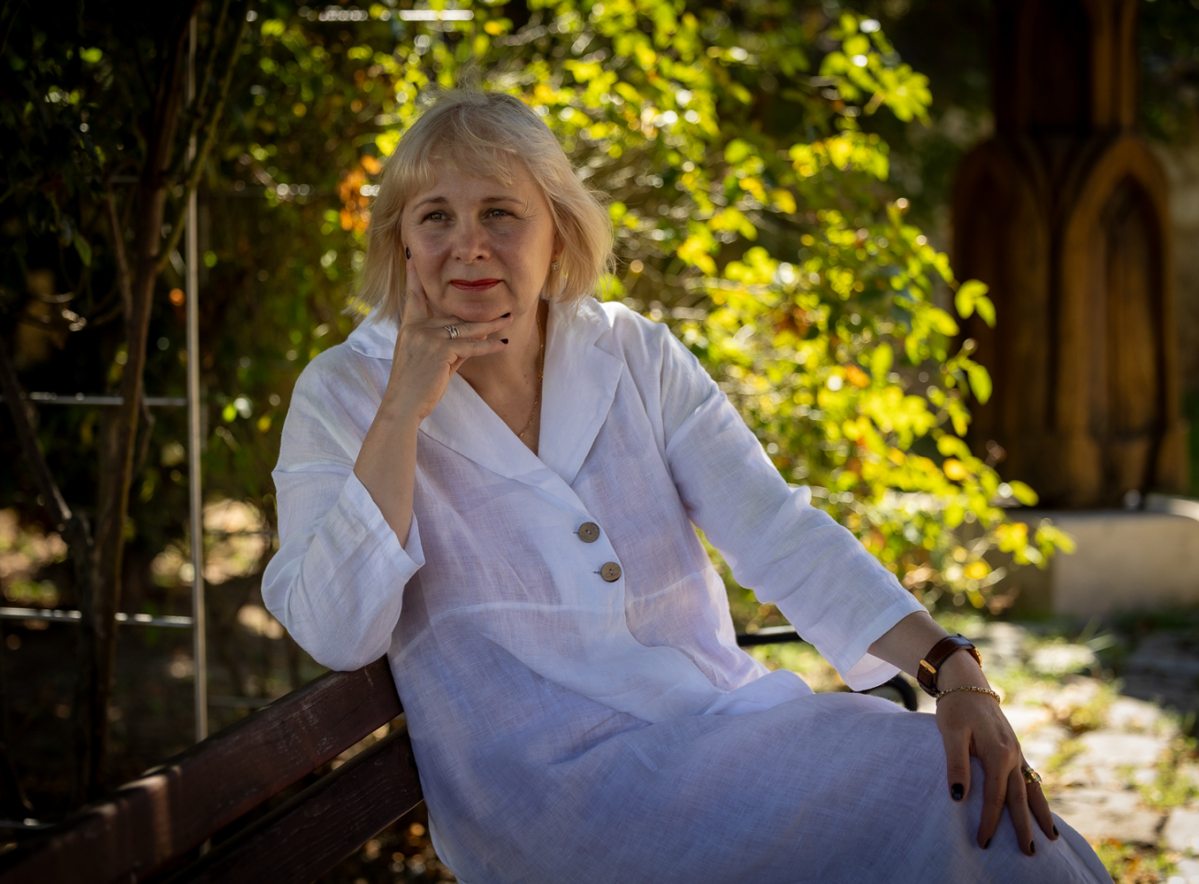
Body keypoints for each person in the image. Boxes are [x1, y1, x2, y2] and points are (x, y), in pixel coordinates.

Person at [262, 90, 1108, 883]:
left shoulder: (631, 353)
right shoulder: (343, 395)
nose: (468, 244)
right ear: (401, 243)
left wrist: (949, 666)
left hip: (718, 730)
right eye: (435, 216)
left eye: (499, 213)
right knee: (938, 801)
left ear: (557, 234)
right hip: (551, 798)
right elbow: (336, 630)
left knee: (966, 791)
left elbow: (775, 530)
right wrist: (402, 409)